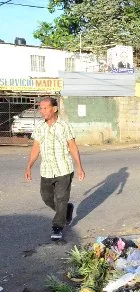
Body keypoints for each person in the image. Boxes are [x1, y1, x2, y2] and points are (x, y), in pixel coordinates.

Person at [25, 97, 85, 240]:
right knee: (46, 198)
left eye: (45, 108)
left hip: (63, 169)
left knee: (61, 198)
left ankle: (57, 226)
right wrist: (29, 166)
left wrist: (79, 167)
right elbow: (35, 148)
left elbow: (72, 147)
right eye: (41, 108)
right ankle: (66, 210)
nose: (42, 111)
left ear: (55, 109)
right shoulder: (40, 127)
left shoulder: (64, 126)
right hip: (46, 170)